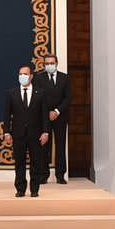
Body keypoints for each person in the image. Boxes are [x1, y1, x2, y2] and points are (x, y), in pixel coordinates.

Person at [2, 65, 51, 199]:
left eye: (25, 74)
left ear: (31, 76)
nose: (22, 76)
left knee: (36, 163)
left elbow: (44, 115)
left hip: (36, 134)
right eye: (20, 74)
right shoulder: (12, 93)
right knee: (19, 163)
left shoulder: (40, 93)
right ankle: (20, 189)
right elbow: (7, 115)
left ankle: (34, 189)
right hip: (18, 134)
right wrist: (7, 132)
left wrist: (46, 132)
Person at [39, 52, 71, 184]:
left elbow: (68, 97)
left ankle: (60, 175)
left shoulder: (65, 78)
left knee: (60, 145)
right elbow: (38, 98)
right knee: (44, 146)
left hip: (60, 116)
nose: (49, 66)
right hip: (44, 117)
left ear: (56, 64)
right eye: (47, 64)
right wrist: (48, 113)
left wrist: (57, 111)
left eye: (51, 63)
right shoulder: (38, 78)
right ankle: (43, 175)